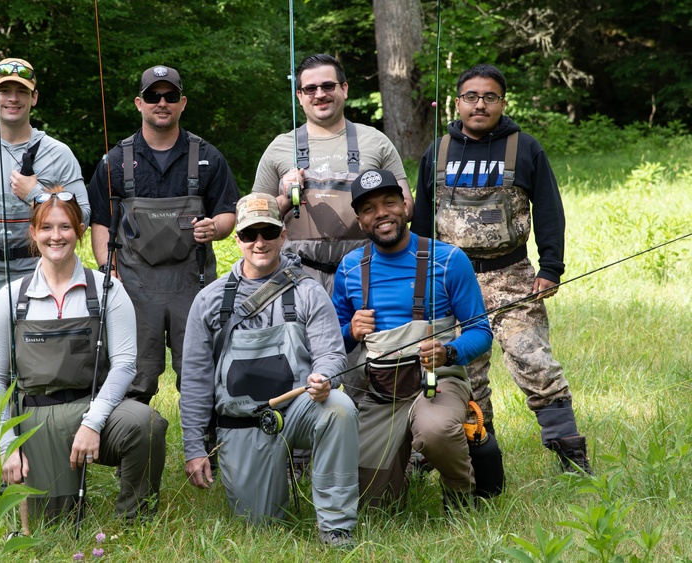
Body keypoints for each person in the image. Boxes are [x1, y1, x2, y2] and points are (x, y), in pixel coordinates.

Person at [410, 64, 592, 474]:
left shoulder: (525, 147)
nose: (480, 104)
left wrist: (551, 267)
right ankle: (479, 459)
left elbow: (549, 209)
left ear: (502, 102)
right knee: (464, 374)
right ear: (457, 103)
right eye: (471, 96)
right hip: (450, 282)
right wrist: (417, 279)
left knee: (536, 362)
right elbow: (421, 221)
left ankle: (572, 458)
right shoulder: (436, 151)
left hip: (511, 277)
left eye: (489, 96)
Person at [0, 57, 90, 498]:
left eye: (21, 92)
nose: (12, 98)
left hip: (42, 276)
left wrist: (39, 194)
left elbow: (82, 212)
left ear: (33, 98)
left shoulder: (58, 153)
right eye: (4, 90)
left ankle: (47, 474)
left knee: (40, 376)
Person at [181, 193, 360, 546]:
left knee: (339, 409)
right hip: (243, 422)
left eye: (268, 232)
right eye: (250, 234)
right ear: (238, 240)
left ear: (282, 235)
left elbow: (331, 354)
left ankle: (337, 527)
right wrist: (194, 448)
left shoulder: (308, 292)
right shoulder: (210, 300)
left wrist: (323, 378)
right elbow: (195, 380)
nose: (259, 242)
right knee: (259, 529)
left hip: (299, 409)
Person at [0, 186, 167, 522]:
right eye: (48, 228)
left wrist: (93, 423)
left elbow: (126, 365)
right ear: (34, 233)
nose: (57, 236)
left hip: (95, 408)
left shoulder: (108, 290)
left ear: (80, 232)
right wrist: (8, 445)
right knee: (55, 530)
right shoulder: (10, 297)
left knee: (146, 424)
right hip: (36, 419)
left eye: (65, 226)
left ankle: (134, 521)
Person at [332, 169, 493, 510]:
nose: (381, 214)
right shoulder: (348, 268)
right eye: (369, 209)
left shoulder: (450, 260)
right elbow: (333, 343)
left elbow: (481, 333)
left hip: (437, 383)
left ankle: (460, 493)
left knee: (435, 430)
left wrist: (449, 351)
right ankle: (402, 478)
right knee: (371, 504)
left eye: (390, 202)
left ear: (406, 206)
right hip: (378, 391)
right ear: (360, 220)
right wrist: (350, 331)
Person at [87, 65, 239, 404]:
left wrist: (216, 227)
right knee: (134, 379)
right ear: (139, 103)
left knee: (202, 378)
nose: (162, 102)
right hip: (135, 287)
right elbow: (100, 221)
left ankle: (205, 454)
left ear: (182, 103)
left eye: (170, 96)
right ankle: (136, 449)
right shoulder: (115, 161)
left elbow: (230, 211)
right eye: (153, 96)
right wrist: (105, 268)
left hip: (193, 285)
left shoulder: (208, 157)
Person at [252, 53, 414, 295]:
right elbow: (253, 218)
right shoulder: (279, 147)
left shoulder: (376, 141)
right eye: (310, 89)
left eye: (328, 85)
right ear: (299, 96)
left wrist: (378, 211)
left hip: (368, 272)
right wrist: (285, 199)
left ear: (344, 89)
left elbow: (408, 207)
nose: (320, 94)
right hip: (297, 278)